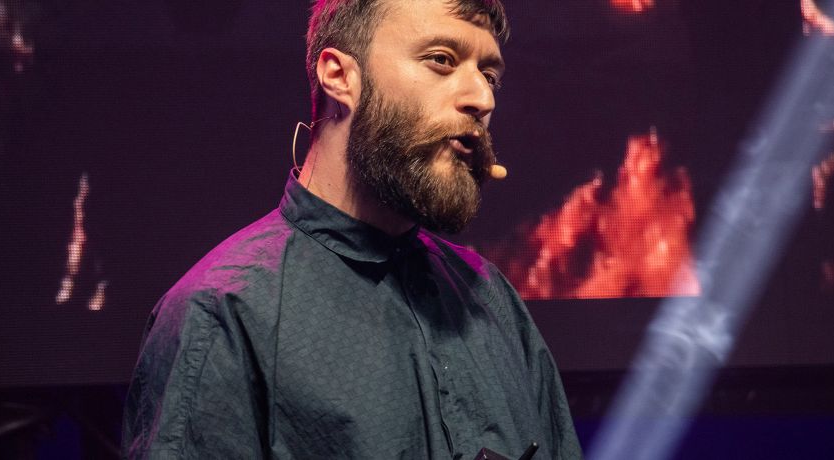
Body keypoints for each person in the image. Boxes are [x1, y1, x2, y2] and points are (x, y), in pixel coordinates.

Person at [122, 1, 582, 458]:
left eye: (490, 75)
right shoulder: (223, 311)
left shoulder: (490, 299)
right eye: (441, 59)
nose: (483, 98)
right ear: (339, 75)